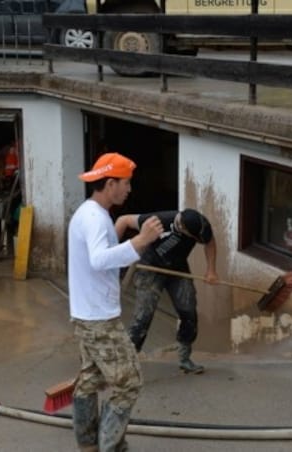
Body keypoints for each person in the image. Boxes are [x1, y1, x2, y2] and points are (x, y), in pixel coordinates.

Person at [68, 152, 163, 452]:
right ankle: (110, 447)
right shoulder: (96, 218)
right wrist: (140, 241)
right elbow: (98, 260)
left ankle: (87, 444)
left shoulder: (88, 212)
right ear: (110, 184)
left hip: (86, 313)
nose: (129, 189)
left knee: (89, 379)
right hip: (99, 319)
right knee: (128, 383)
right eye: (126, 183)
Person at [116, 208, 218, 374]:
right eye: (194, 238)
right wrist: (111, 252)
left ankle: (185, 358)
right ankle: (125, 366)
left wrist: (211, 270)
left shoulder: (201, 225)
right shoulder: (159, 220)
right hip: (149, 267)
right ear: (183, 228)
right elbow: (124, 219)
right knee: (143, 316)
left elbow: (210, 242)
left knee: (189, 310)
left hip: (177, 269)